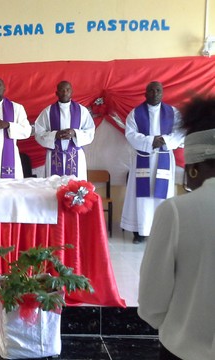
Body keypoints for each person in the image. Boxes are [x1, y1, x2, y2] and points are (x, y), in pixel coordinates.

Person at [138, 95, 215, 360]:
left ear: (192, 168)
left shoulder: (176, 212)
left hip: (184, 349)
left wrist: (180, 327)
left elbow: (150, 305)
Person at [120, 81, 185, 244]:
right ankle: (140, 231)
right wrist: (150, 141)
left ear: (162, 93)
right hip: (144, 157)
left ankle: (162, 231)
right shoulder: (136, 113)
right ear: (145, 93)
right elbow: (130, 134)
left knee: (162, 196)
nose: (155, 93)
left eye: (158, 90)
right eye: (151, 90)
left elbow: (180, 132)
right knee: (141, 195)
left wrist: (163, 140)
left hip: (163, 158)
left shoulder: (172, 113)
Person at [34, 81, 95, 180]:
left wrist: (75, 133)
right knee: (53, 189)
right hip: (55, 155)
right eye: (62, 90)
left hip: (75, 156)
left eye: (67, 90)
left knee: (76, 188)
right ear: (56, 93)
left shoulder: (82, 110)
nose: (65, 92)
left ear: (72, 92)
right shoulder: (48, 111)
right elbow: (38, 132)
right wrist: (55, 135)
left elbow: (90, 132)